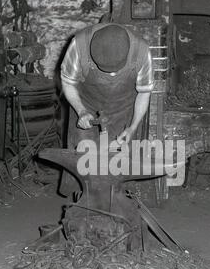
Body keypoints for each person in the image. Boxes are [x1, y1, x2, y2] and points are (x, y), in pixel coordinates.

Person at [59, 23, 154, 196]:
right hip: (86, 105)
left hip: (123, 108)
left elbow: (144, 93)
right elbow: (68, 82)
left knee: (120, 163)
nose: (111, 75)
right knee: (84, 161)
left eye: (115, 71)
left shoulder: (141, 51)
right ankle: (86, 203)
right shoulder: (78, 45)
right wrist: (81, 111)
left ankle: (119, 200)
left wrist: (132, 127)